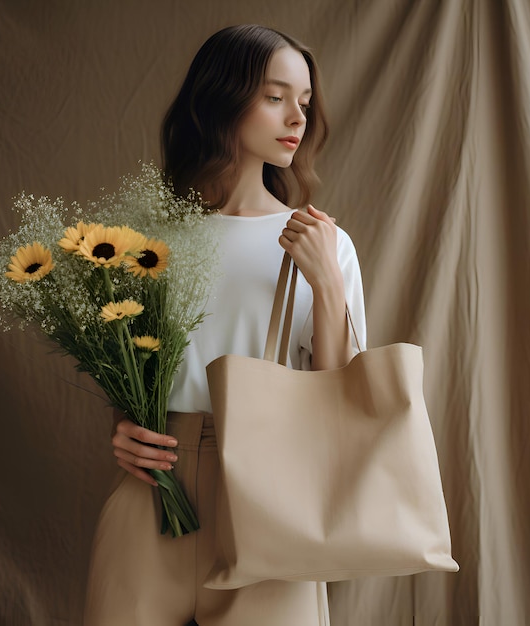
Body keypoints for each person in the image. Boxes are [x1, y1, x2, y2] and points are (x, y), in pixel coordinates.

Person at [84, 24, 366, 626]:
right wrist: (123, 427)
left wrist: (327, 284)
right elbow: (132, 366)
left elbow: (340, 392)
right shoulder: (145, 241)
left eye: (305, 103)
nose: (298, 117)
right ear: (221, 100)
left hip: (269, 495)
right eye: (275, 96)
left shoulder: (320, 241)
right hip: (152, 495)